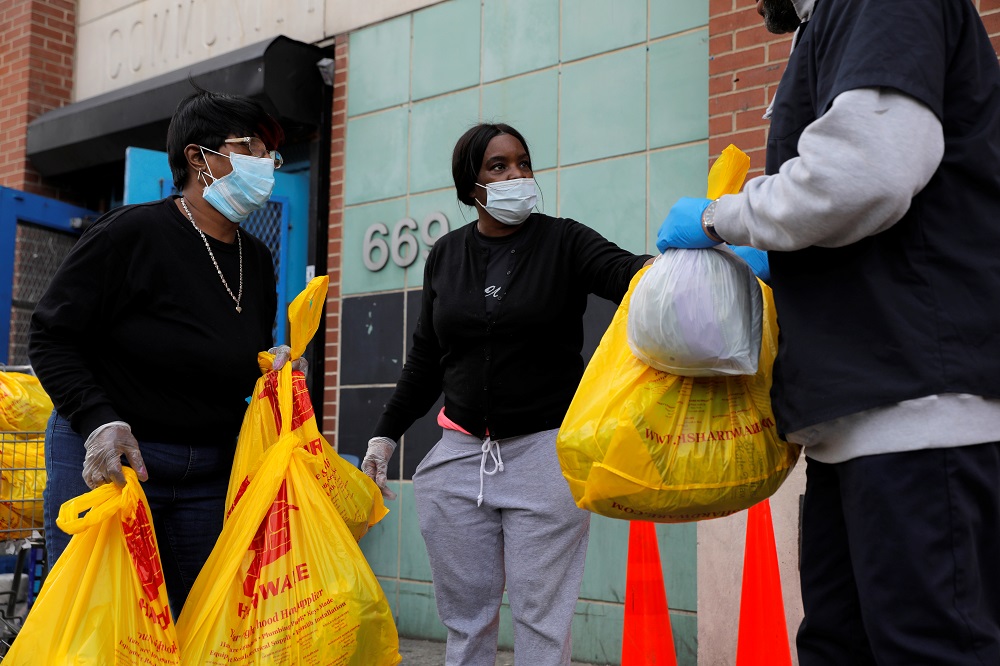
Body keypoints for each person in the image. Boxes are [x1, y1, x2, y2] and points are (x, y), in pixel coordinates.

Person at [657, 0, 1000, 663]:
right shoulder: (835, 19)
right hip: (866, 415)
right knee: (841, 647)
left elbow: (864, 174)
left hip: (917, 412)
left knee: (927, 647)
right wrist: (777, 249)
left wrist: (722, 219)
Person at [361, 123, 653, 665]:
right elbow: (428, 358)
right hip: (459, 455)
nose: (517, 175)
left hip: (544, 452)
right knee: (466, 622)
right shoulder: (446, 254)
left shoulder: (563, 240)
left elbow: (627, 274)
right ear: (470, 184)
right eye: (498, 167)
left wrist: (683, 262)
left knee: (542, 623)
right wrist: (384, 435)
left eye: (523, 163)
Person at [29, 89, 301, 614]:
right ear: (198, 158)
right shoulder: (131, 233)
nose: (266, 165)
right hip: (117, 458)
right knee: (97, 622)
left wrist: (273, 366)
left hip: (208, 473)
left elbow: (230, 357)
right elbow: (51, 335)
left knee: (198, 623)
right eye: (251, 148)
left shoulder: (259, 259)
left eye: (271, 154)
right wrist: (99, 421)